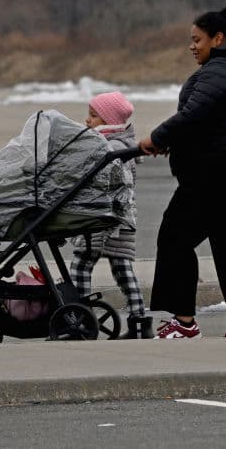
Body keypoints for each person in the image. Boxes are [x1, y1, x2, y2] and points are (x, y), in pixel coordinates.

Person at [138, 3, 226, 339]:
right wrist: (174, 142)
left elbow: (194, 114)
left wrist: (155, 137)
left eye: (197, 39)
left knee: (174, 238)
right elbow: (214, 120)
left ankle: (184, 322)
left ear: (218, 38)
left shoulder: (219, 70)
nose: (192, 46)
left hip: (213, 176)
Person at [71, 91, 154, 339]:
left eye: (93, 116)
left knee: (82, 264)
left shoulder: (114, 148)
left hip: (108, 220)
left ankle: (81, 316)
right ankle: (140, 320)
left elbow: (110, 180)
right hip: (118, 219)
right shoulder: (117, 144)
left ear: (109, 121)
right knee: (121, 268)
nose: (87, 120)